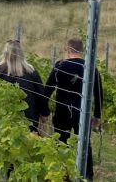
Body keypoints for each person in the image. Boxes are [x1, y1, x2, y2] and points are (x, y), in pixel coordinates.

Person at [43, 38, 103, 180]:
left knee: (61, 143)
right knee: (84, 145)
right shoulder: (91, 68)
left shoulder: (60, 65)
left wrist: (43, 111)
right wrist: (97, 115)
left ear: (67, 49)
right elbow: (99, 93)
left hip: (62, 112)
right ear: (81, 50)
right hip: (82, 112)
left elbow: (47, 90)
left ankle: (64, 176)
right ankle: (87, 176)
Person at [0, 40, 49, 132]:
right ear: (21, 54)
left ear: (5, 53)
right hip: (29, 118)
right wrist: (44, 113)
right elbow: (41, 96)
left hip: (2, 120)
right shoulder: (31, 72)